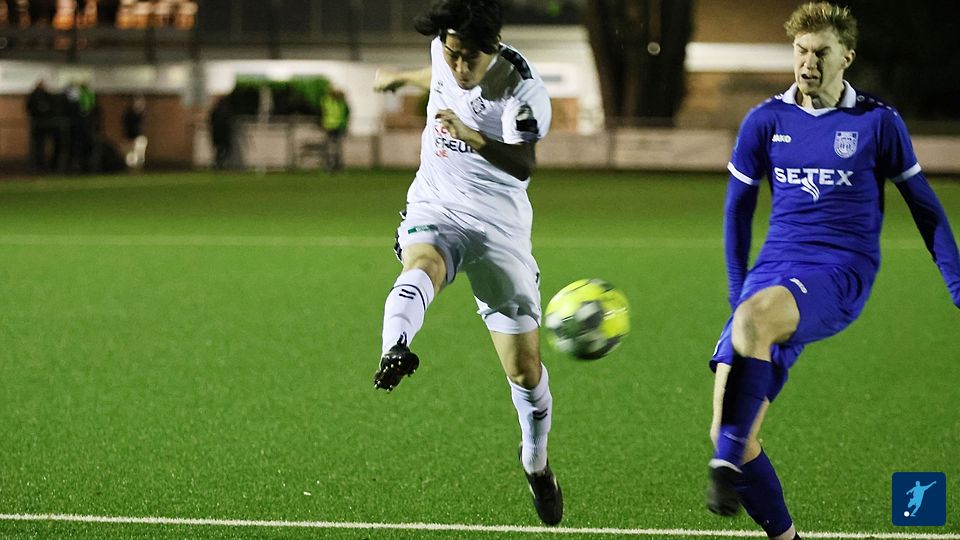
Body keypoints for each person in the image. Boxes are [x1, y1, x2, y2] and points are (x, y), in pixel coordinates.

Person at [705, 3, 960, 539]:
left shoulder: (877, 122)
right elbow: (737, 210)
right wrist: (737, 293)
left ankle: (723, 467)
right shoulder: (765, 121)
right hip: (770, 277)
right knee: (731, 433)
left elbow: (925, 208)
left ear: (847, 56)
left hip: (839, 272)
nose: (808, 62)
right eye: (801, 50)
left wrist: (956, 285)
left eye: (821, 52)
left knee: (732, 430)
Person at [371, 0, 561, 526]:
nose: (457, 66)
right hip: (436, 204)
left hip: (499, 227)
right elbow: (437, 71)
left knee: (524, 371)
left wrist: (472, 136)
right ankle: (395, 346)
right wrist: (402, 78)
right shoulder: (445, 51)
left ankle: (535, 461)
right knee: (422, 263)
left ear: (492, 48)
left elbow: (523, 163)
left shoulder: (523, 90)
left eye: (468, 58)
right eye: (451, 53)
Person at [25, 80, 55, 171]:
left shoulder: (47, 96)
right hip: (37, 124)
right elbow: (29, 108)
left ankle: (43, 164)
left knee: (44, 144)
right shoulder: (34, 96)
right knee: (37, 145)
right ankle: (37, 164)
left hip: (45, 124)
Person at [320, 88, 350, 172]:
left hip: (337, 127)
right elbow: (323, 112)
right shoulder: (329, 101)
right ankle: (331, 165)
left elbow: (346, 114)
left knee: (336, 147)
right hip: (330, 127)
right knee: (332, 147)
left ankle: (336, 165)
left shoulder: (340, 103)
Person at [122, 94, 148, 169]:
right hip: (129, 137)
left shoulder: (142, 113)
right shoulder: (128, 113)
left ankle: (138, 170)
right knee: (130, 158)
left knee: (139, 157)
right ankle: (131, 170)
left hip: (139, 137)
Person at [209, 95, 234, 169]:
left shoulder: (216, 110)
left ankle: (219, 163)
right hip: (223, 133)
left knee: (220, 150)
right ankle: (219, 163)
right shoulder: (225, 110)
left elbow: (211, 121)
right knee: (225, 149)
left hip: (217, 133)